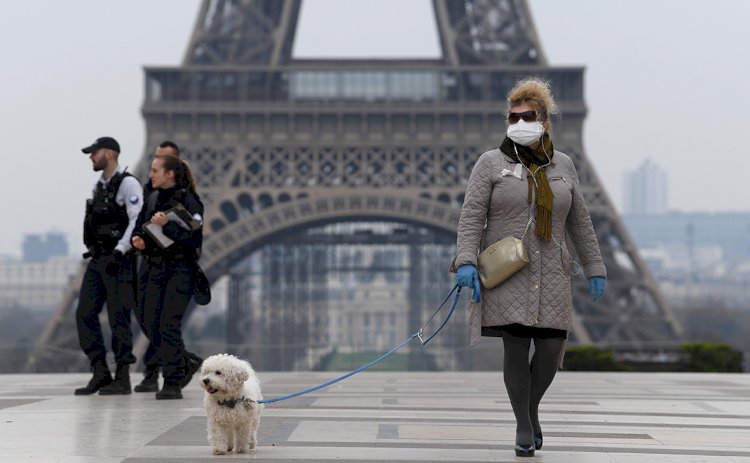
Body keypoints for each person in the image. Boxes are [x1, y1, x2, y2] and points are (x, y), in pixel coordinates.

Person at [453, 77, 606, 457]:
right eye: (513, 116)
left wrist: (595, 265)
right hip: (510, 269)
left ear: (544, 121)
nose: (520, 123)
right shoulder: (490, 163)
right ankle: (524, 425)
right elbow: (471, 217)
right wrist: (466, 262)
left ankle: (529, 409)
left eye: (528, 116)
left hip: (552, 268)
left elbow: (580, 221)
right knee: (516, 346)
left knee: (552, 347)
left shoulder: (564, 165)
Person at [131, 155, 204, 399]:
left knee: (168, 325)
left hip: (180, 271)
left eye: (155, 170)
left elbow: (194, 239)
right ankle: (186, 361)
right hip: (155, 269)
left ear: (169, 173)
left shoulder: (189, 200)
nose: (150, 175)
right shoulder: (151, 198)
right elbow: (141, 227)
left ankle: (172, 381)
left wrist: (167, 226)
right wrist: (139, 240)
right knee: (151, 323)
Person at [74, 136, 143, 395]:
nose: (91, 156)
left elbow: (137, 220)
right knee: (84, 313)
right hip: (98, 257)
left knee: (118, 317)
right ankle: (100, 370)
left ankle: (122, 376)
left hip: (118, 259)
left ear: (110, 153)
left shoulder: (128, 184)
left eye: (95, 152)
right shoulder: (99, 187)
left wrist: (120, 250)